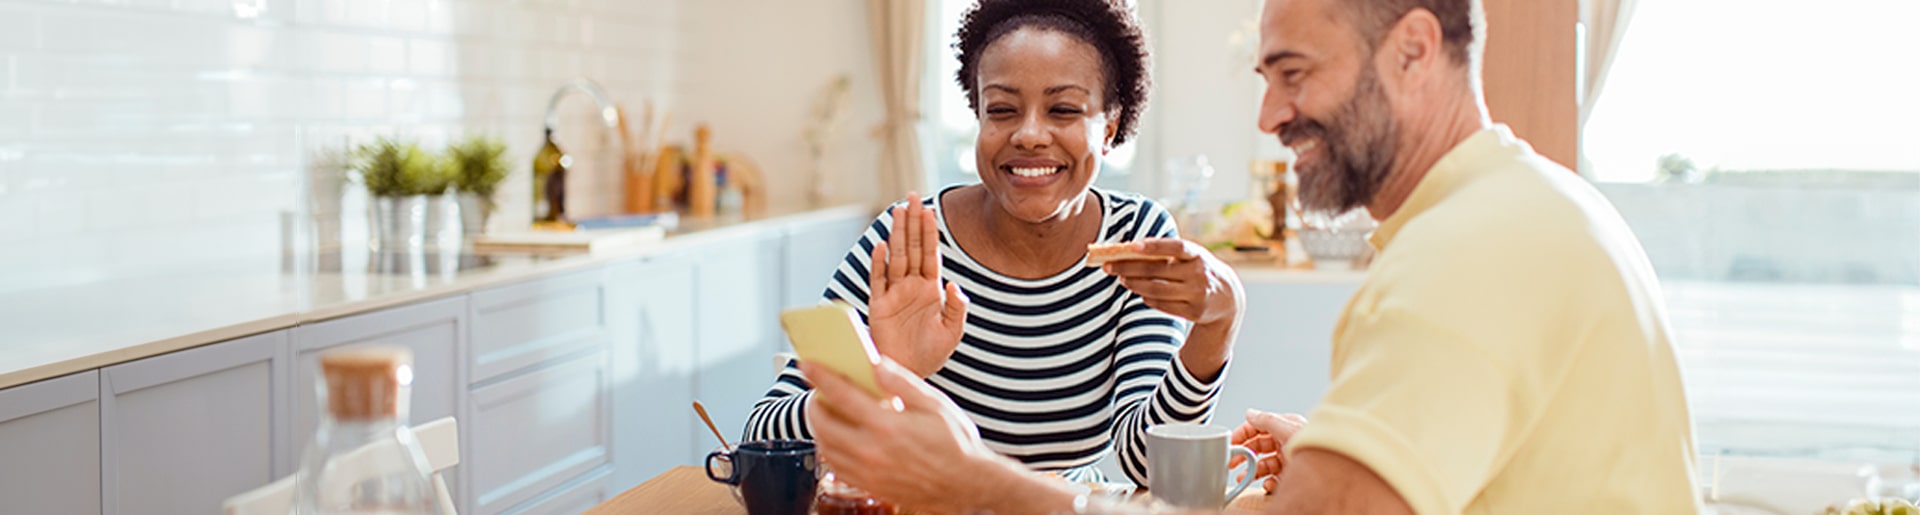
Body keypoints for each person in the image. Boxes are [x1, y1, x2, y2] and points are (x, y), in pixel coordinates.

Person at [801, 0, 1705, 513]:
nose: (1268, 117)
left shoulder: (1466, 260)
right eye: (1265, 80)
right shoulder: (1522, 208)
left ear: (1414, 50)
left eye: (1295, 74)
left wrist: (975, 486)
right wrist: (1338, 457)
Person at [742, 0, 1247, 486]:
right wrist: (886, 375)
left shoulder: (1134, 238)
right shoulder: (911, 239)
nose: (1029, 134)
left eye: (1064, 109)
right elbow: (761, 432)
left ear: (1109, 128)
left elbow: (1148, 463)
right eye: (1002, 109)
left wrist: (1218, 323)